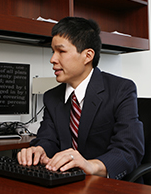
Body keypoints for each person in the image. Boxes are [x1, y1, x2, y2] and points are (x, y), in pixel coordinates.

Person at [17, 17, 144, 180]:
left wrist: (91, 165)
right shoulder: (52, 96)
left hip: (110, 184)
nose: (53, 59)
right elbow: (48, 138)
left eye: (61, 51)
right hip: (68, 183)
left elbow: (129, 150)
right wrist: (39, 150)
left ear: (87, 55)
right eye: (52, 52)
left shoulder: (121, 90)